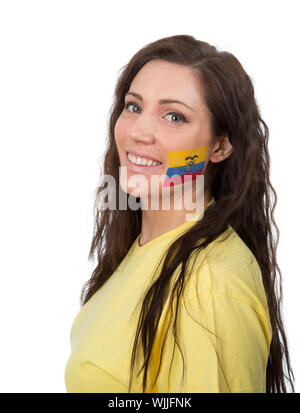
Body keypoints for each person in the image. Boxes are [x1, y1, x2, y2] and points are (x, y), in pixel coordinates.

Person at [64, 35, 295, 393]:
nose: (139, 132)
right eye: (134, 106)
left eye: (174, 116)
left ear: (220, 145)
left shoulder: (211, 283)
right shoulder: (139, 248)